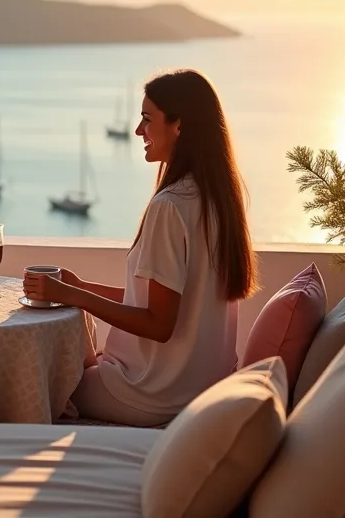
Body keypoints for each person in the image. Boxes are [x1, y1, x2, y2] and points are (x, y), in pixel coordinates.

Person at [23, 69, 257, 426]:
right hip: (203, 389)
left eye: (148, 119)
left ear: (179, 125)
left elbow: (159, 323)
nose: (138, 131)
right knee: (83, 360)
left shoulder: (170, 206)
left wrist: (73, 297)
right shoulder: (218, 200)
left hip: (155, 396)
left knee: (37, 381)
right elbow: (162, 303)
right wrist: (81, 286)